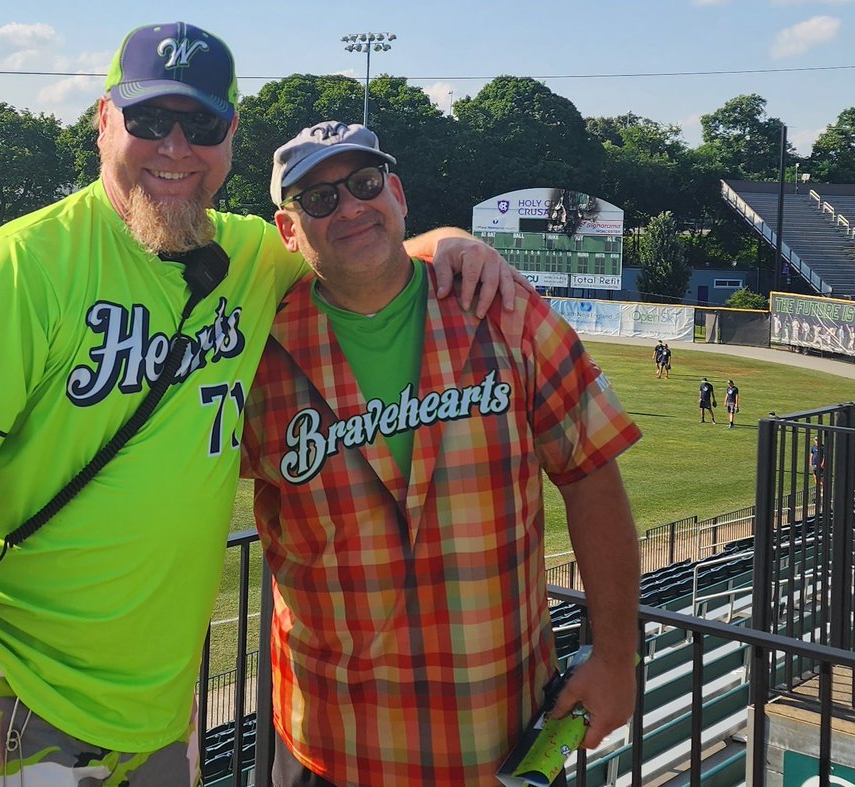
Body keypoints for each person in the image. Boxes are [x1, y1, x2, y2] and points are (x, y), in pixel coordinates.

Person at [0, 23, 521, 787]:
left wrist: (447, 240)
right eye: (151, 120)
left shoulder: (252, 257)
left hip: (154, 715)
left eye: (202, 125)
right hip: (9, 687)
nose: (176, 148)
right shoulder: (20, 265)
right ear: (103, 121)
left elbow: (349, 241)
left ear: (230, 137)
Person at [241, 121, 643, 786]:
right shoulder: (258, 356)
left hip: (497, 744)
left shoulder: (503, 309)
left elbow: (592, 471)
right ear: (288, 231)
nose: (349, 207)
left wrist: (615, 655)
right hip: (329, 745)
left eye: (365, 184)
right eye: (318, 199)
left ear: (397, 193)